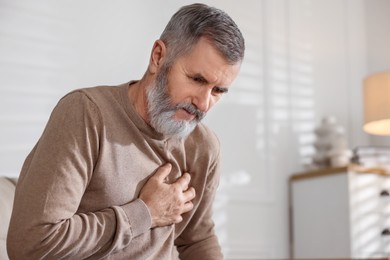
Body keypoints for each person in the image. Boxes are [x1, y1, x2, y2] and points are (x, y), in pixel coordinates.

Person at [7, 3, 245, 259]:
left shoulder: (204, 148)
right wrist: (144, 214)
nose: (204, 103)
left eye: (218, 91)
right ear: (158, 57)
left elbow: (198, 240)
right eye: (197, 80)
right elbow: (30, 244)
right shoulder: (86, 114)